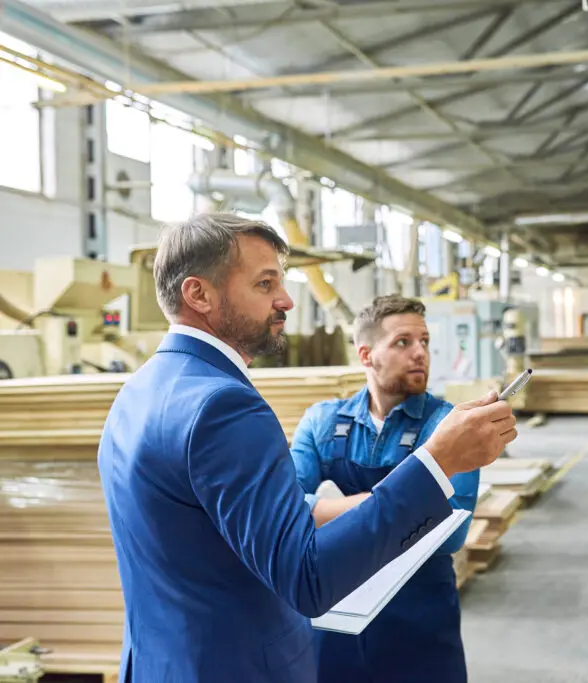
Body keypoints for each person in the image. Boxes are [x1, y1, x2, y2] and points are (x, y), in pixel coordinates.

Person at [97, 213, 517, 683]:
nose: (286, 300)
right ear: (199, 294)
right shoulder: (225, 406)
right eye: (264, 284)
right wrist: (435, 462)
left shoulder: (137, 392)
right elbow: (307, 579)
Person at [289, 294, 477, 683]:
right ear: (366, 355)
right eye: (402, 342)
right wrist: (395, 504)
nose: (419, 353)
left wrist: (329, 510)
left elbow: (449, 531)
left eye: (424, 341)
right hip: (334, 618)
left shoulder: (452, 425)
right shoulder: (323, 422)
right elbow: (287, 510)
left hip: (420, 622)